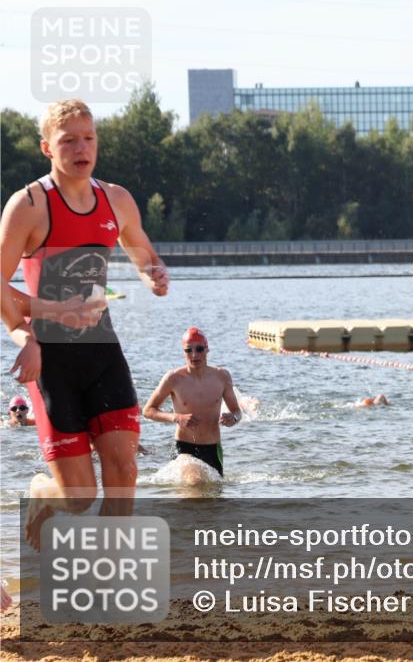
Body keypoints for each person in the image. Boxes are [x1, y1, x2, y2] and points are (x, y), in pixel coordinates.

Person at [1, 99, 169, 550]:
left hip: (101, 350)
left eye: (89, 138)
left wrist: (153, 273)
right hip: (49, 359)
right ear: (46, 148)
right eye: (69, 140)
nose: (82, 147)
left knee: (123, 470)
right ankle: (44, 495)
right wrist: (27, 335)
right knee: (79, 496)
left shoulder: (116, 199)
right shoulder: (29, 205)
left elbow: (142, 252)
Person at [143, 328, 241, 480]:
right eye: (189, 350)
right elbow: (148, 410)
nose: (194, 355)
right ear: (184, 352)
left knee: (215, 498)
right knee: (193, 485)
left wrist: (233, 418)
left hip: (212, 449)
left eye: (199, 349)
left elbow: (237, 411)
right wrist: (177, 418)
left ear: (207, 349)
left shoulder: (222, 376)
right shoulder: (173, 378)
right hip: (184, 448)